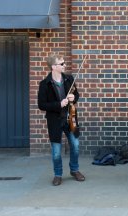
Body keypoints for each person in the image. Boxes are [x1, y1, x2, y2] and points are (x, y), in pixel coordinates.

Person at [38, 53, 85, 186]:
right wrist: (58, 104)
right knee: (56, 151)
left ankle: (74, 170)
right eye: (62, 64)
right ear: (54, 66)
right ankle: (58, 174)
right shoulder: (45, 84)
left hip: (71, 119)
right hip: (55, 121)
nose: (65, 65)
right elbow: (41, 105)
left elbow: (76, 94)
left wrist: (73, 98)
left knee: (75, 146)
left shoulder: (69, 79)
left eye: (64, 63)